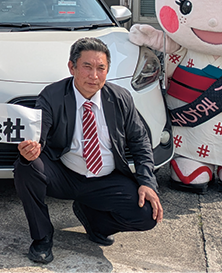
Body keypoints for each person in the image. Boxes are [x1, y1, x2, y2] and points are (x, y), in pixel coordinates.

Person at [13, 37, 163, 264]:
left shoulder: (120, 98)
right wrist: (31, 149)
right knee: (26, 167)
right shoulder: (53, 95)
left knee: (147, 215)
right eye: (87, 67)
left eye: (101, 68)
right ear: (72, 67)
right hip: (65, 174)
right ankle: (42, 237)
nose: (94, 75)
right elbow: (38, 134)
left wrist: (147, 182)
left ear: (107, 70)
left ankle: (94, 221)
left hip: (106, 179)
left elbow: (139, 140)